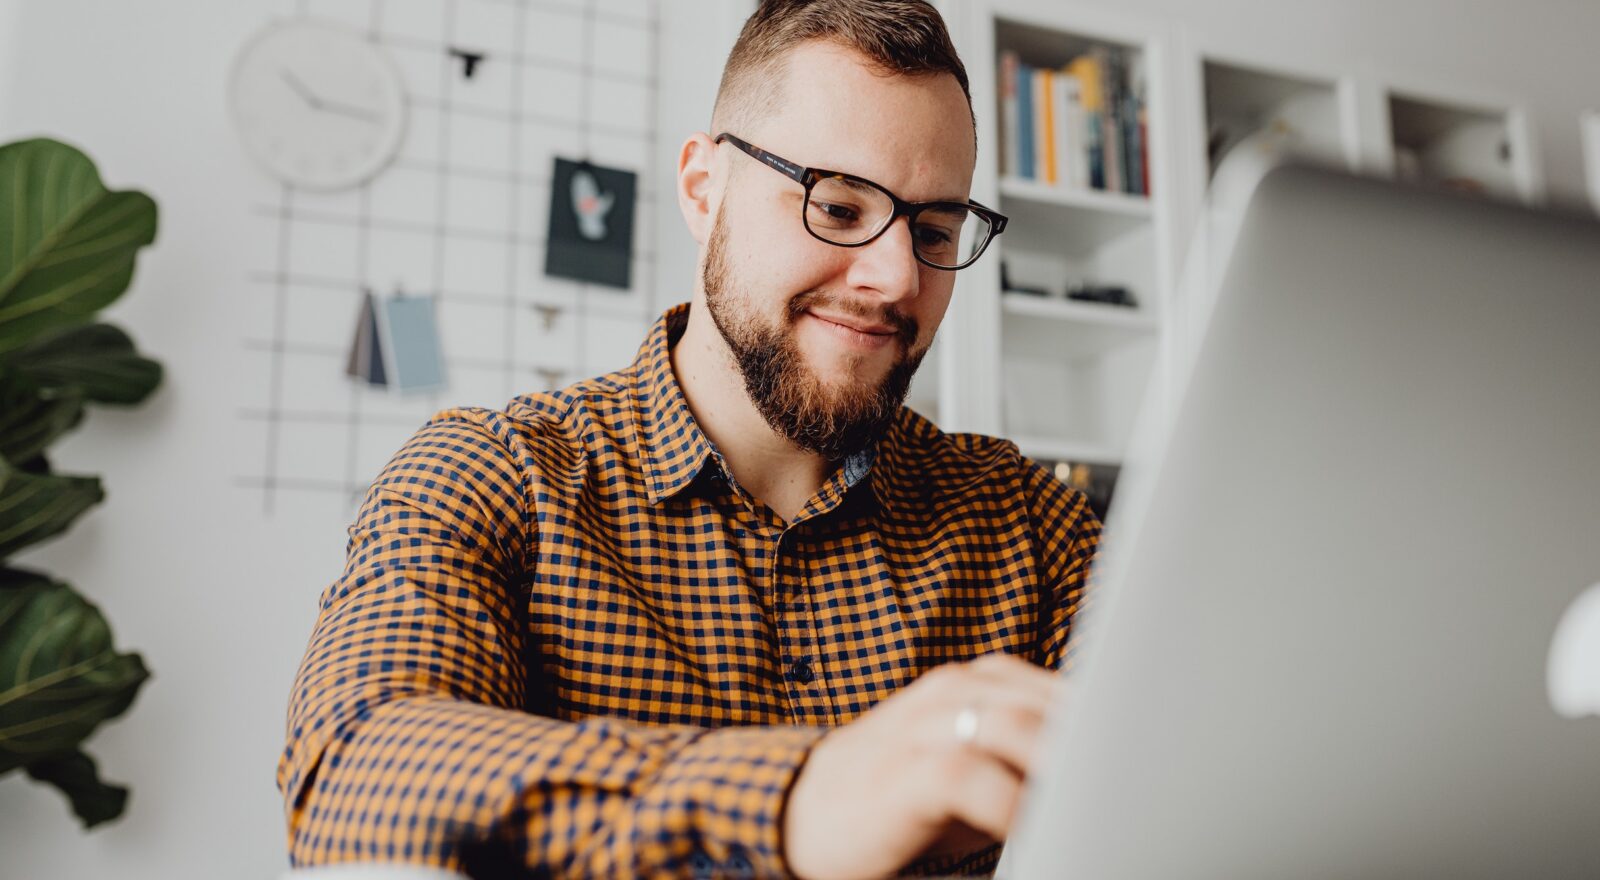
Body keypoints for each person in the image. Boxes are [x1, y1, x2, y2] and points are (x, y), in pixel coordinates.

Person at [277, 1, 1102, 877]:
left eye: (933, 231)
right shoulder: (492, 474)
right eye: (838, 204)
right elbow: (351, 782)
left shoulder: (1032, 524)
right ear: (704, 190)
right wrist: (801, 799)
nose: (896, 276)